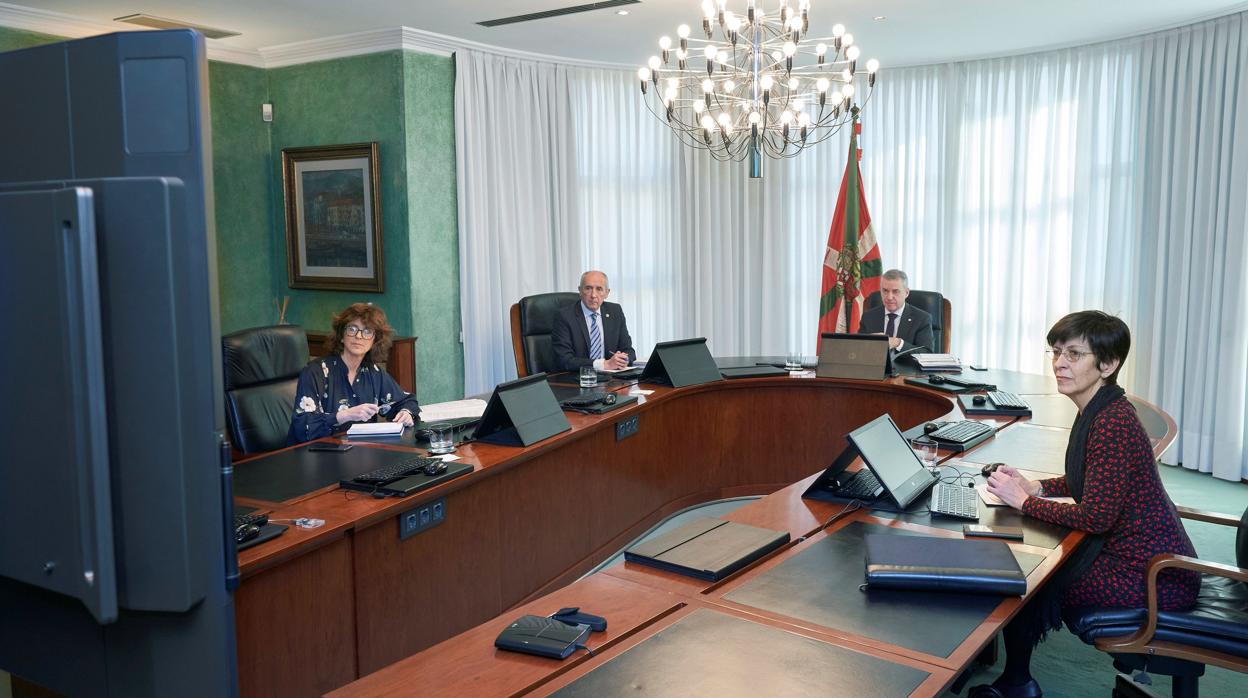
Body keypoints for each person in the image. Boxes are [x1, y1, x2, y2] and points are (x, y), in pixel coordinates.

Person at [972, 311, 1199, 698]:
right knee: (1029, 565)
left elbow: (1096, 515)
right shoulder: (1099, 409)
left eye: (1074, 354)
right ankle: (1016, 680)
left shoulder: (1112, 422)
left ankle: (1016, 684)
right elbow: (1091, 480)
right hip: (1148, 560)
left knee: (1028, 579)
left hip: (1154, 575)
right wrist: (1037, 487)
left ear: (1107, 364)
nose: (1059, 363)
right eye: (1057, 351)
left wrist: (1025, 503)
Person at [287, 303, 419, 445]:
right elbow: (303, 427)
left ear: (374, 341)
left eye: (367, 331)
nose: (359, 336)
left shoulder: (372, 372)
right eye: (352, 329)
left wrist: (406, 413)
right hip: (315, 454)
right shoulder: (316, 372)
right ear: (341, 336)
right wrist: (345, 415)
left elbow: (406, 401)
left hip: (357, 453)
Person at [551, 270, 636, 371]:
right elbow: (564, 360)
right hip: (578, 379)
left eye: (599, 289)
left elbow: (629, 350)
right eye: (588, 288)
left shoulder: (615, 311)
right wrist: (604, 364)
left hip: (611, 379)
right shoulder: (565, 316)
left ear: (607, 293)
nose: (593, 295)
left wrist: (623, 360)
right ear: (580, 290)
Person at [856, 268, 934, 352]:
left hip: (906, 364)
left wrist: (898, 343)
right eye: (885, 291)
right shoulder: (869, 317)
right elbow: (858, 349)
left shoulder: (922, 319)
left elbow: (926, 353)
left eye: (895, 291)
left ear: (906, 293)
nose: (889, 297)